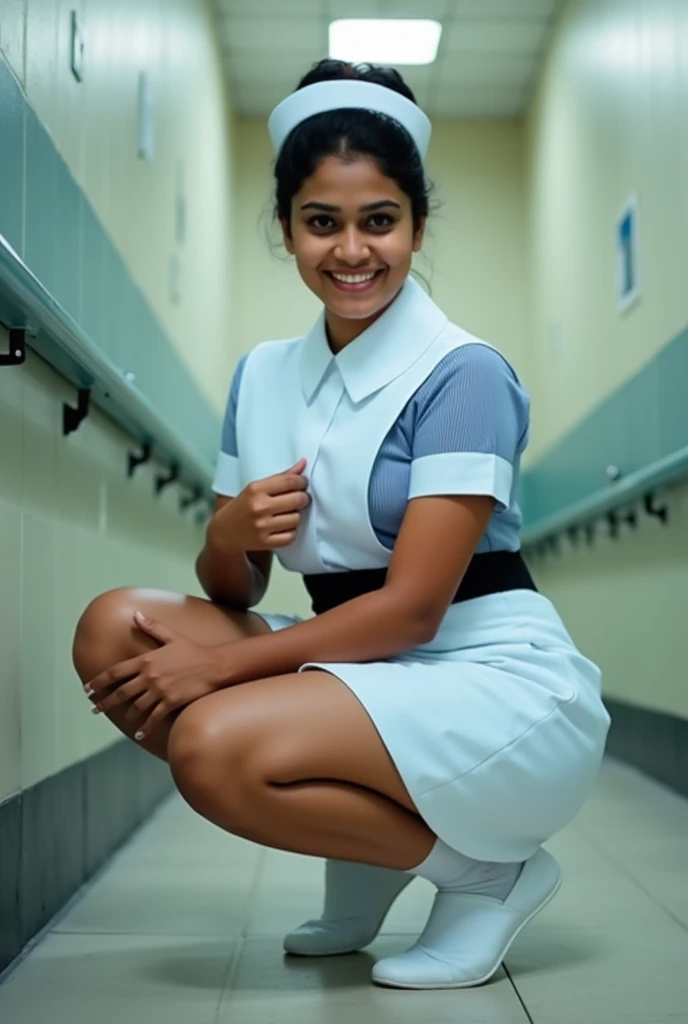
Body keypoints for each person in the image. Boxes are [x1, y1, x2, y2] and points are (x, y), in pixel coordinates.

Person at [73, 59, 611, 991]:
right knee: (114, 628)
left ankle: (487, 875)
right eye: (322, 222)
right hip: (355, 660)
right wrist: (232, 532)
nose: (352, 250)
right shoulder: (263, 375)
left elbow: (409, 615)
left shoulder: (463, 374)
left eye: (380, 222)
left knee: (212, 747)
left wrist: (218, 667)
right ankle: (370, 851)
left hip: (485, 671)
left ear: (416, 225)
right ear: (286, 229)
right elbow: (234, 589)